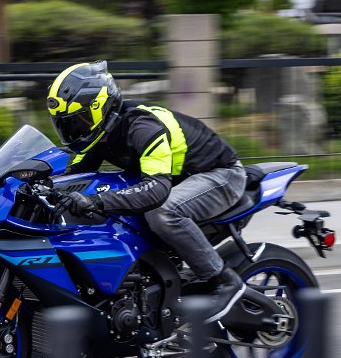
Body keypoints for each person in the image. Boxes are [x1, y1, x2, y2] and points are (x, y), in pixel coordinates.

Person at [48, 60, 248, 323]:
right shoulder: (98, 134)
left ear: (99, 107)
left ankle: (224, 280)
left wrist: (96, 201)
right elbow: (72, 177)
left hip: (220, 174)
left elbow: (157, 191)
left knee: (162, 211)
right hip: (183, 181)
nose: (73, 129)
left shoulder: (142, 127)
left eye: (78, 120)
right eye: (67, 124)